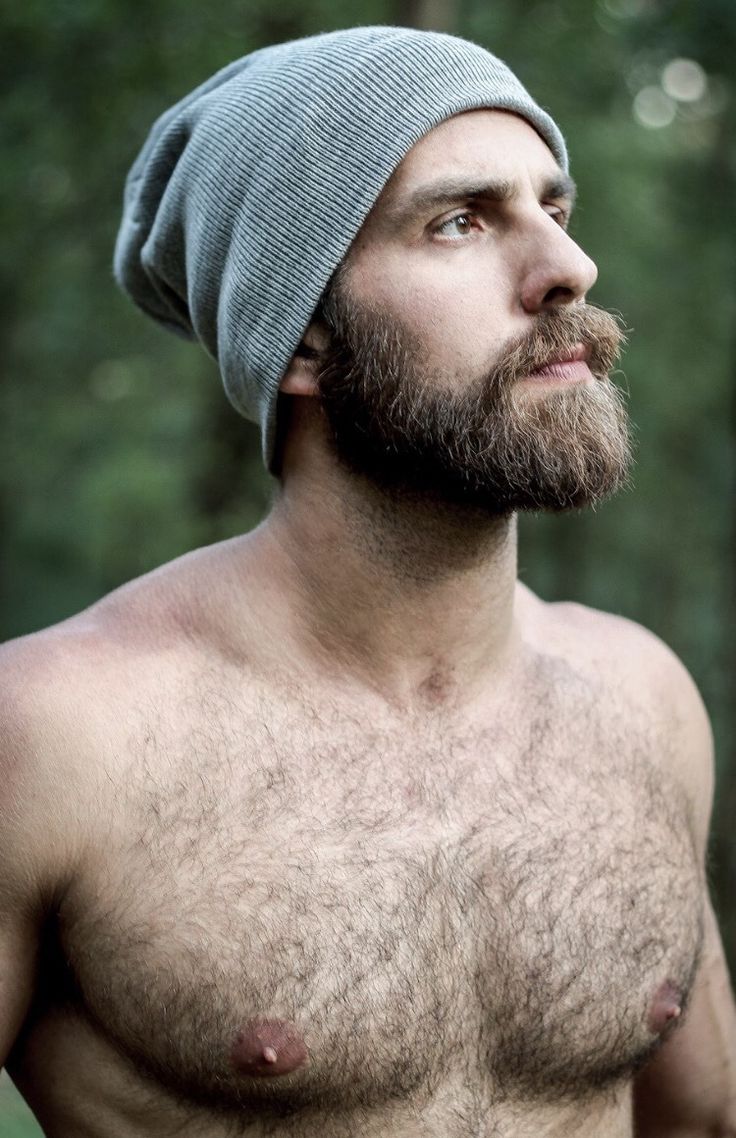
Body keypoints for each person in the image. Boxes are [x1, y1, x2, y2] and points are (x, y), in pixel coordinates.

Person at [1, 25, 734, 1138]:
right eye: (459, 221)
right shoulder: (55, 737)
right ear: (300, 340)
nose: (566, 270)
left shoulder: (641, 700)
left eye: (554, 207)